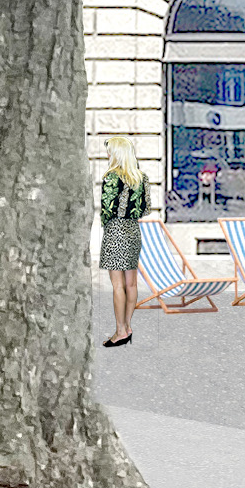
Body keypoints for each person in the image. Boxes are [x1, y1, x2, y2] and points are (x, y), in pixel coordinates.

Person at [99, 134, 149, 348]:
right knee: (132, 283)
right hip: (133, 230)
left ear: (116, 153)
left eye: (109, 150)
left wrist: (107, 223)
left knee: (118, 285)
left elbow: (106, 208)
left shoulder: (111, 177)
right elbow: (145, 208)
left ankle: (120, 331)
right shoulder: (141, 177)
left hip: (116, 230)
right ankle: (128, 326)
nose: (107, 154)